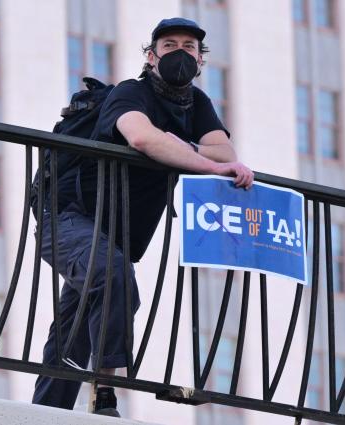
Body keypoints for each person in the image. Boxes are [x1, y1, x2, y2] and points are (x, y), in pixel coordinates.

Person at [32, 17, 254, 417]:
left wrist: (179, 145)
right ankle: (105, 393)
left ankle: (45, 413)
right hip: (65, 219)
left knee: (78, 324)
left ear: (200, 61)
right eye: (169, 45)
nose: (180, 52)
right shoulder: (130, 93)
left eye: (189, 46)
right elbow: (140, 136)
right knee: (113, 277)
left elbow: (226, 154)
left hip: (111, 234)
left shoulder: (197, 104)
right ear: (151, 56)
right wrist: (195, 158)